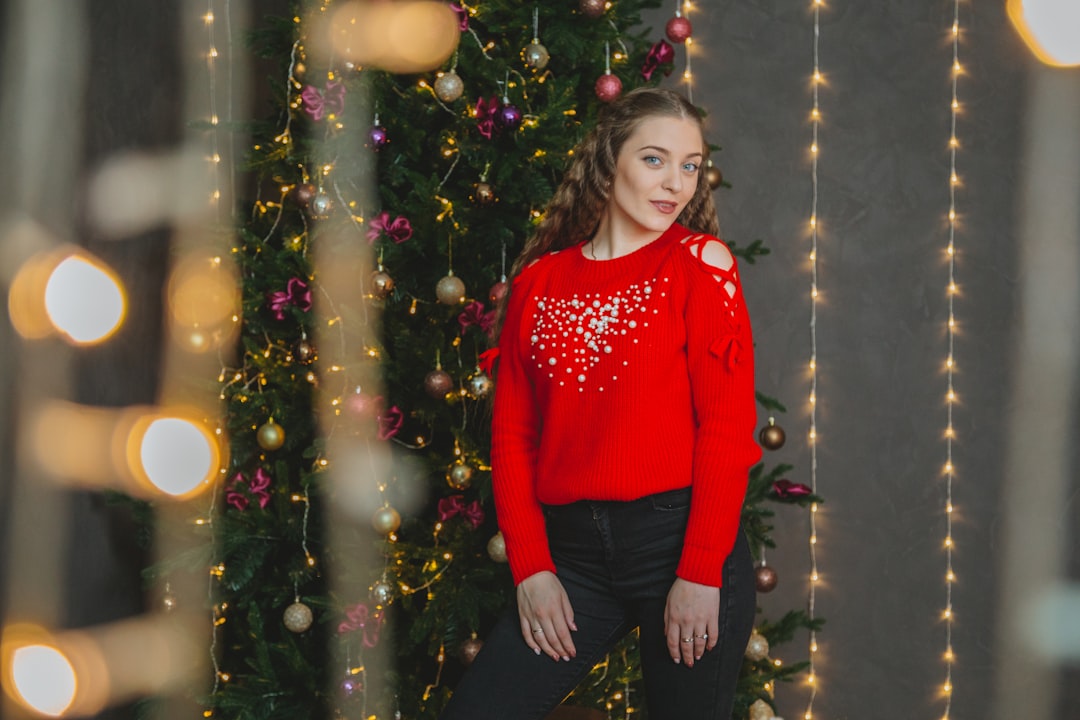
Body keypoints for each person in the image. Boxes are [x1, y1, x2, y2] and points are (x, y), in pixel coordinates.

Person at [440, 87, 762, 720]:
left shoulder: (702, 265)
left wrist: (700, 572)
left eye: (690, 165)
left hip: (680, 545)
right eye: (654, 159)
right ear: (609, 160)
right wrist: (531, 569)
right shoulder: (540, 281)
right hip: (573, 559)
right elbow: (512, 439)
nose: (676, 183)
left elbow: (725, 430)